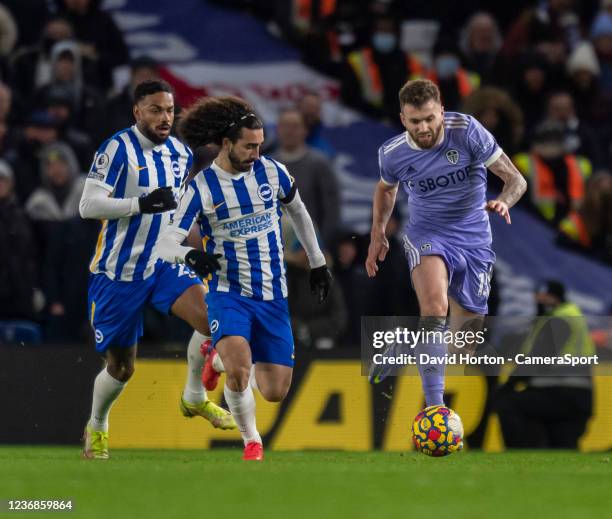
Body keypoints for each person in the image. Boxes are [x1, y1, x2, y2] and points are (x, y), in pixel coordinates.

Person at [158, 95, 333, 460]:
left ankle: (215, 354)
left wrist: (318, 263)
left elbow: (298, 212)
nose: (255, 153)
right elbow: (166, 243)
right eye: (248, 146)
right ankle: (252, 441)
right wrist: (192, 255)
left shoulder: (273, 172)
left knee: (274, 390)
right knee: (239, 372)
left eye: (259, 145)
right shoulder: (202, 187)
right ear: (226, 144)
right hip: (228, 292)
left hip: (272, 294)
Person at [79, 79, 235, 460]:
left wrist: (189, 252)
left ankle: (194, 396)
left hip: (162, 263)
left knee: (213, 319)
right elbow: (88, 206)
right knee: (121, 368)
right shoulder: (117, 149)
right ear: (137, 111)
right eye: (155, 110)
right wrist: (139, 204)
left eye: (169, 110)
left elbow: (175, 215)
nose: (165, 117)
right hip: (118, 273)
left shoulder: (181, 153)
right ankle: (97, 425)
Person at [365, 79, 527, 407]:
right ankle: (435, 409)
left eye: (429, 119)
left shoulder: (467, 131)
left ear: (441, 111)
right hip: (428, 234)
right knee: (435, 308)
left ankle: (404, 348)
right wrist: (377, 232)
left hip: (475, 240)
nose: (423, 128)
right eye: (414, 121)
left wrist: (504, 202)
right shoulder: (393, 153)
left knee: (462, 347)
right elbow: (386, 189)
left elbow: (515, 179)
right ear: (402, 119)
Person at [495, 280, 594, 449]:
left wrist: (508, 386)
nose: (539, 300)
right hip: (578, 397)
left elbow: (539, 358)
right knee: (562, 451)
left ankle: (519, 456)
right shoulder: (569, 314)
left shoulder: (560, 319)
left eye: (545, 296)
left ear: (555, 297)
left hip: (560, 393)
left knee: (508, 403)